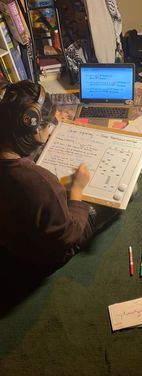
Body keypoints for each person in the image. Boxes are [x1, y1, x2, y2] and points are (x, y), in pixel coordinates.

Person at [0, 80, 119, 275]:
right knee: (124, 192)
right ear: (35, 129)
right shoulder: (40, 183)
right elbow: (68, 236)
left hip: (12, 240)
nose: (50, 130)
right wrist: (77, 190)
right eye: (47, 125)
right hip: (43, 255)